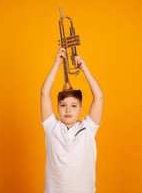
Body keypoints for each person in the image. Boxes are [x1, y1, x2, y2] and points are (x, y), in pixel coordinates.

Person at [41, 47, 104, 193]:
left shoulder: (88, 128)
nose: (68, 110)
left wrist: (85, 69)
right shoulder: (52, 127)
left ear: (81, 109)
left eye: (74, 106)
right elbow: (45, 93)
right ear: (57, 107)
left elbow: (99, 97)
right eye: (63, 105)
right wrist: (57, 63)